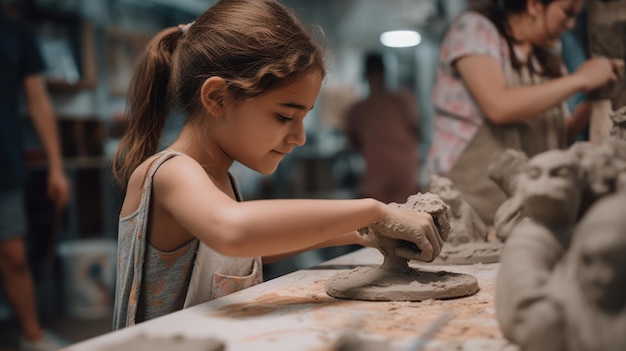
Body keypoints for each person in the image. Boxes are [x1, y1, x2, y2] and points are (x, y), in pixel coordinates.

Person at [111, 0, 445, 330]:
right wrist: (372, 212)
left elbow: (244, 254)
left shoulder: (221, 178)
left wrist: (364, 233)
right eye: (284, 116)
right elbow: (234, 232)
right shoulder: (171, 172)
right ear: (217, 97)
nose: (299, 136)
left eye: (303, 118)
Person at [426, 0, 624, 225]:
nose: (570, 25)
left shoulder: (546, 58)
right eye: (567, 13)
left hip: (526, 213)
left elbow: (558, 134)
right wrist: (580, 80)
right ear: (534, 5)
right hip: (469, 212)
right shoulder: (474, 30)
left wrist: (593, 97)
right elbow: (499, 106)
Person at [0, 8, 71, 351]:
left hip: (5, 162)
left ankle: (32, 335)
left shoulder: (16, 32)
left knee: (14, 255)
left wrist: (56, 165)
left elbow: (38, 99)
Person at [344, 52, 420, 204]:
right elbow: (416, 130)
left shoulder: (401, 101)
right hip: (386, 171)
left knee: (397, 213)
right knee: (389, 214)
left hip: (396, 171)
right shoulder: (359, 109)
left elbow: (352, 144)